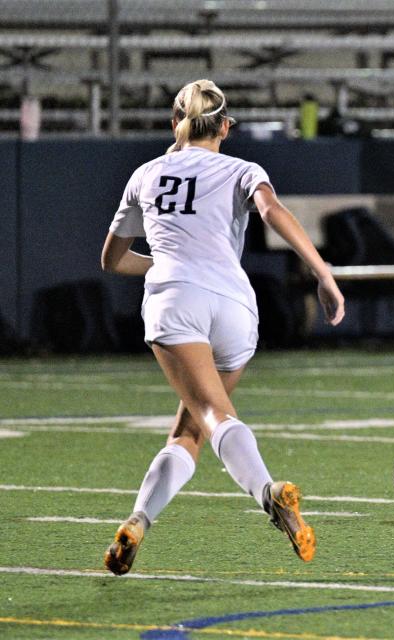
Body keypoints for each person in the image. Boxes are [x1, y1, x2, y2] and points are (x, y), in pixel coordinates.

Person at [100, 79, 345, 575]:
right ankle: (139, 520)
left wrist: (171, 266)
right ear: (226, 127)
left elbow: (112, 259)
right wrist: (324, 273)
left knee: (210, 415)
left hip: (175, 302)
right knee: (191, 427)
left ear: (176, 124)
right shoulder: (243, 168)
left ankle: (267, 491)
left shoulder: (145, 174)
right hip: (235, 305)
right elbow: (272, 211)